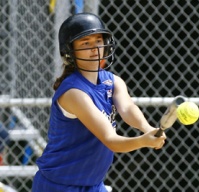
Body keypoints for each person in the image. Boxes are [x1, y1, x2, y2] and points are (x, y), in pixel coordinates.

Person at [32, 13, 166, 192]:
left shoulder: (112, 81)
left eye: (98, 40)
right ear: (69, 51)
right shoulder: (74, 92)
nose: (95, 48)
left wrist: (147, 128)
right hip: (59, 185)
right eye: (85, 43)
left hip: (93, 185)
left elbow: (127, 109)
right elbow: (111, 140)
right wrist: (143, 141)